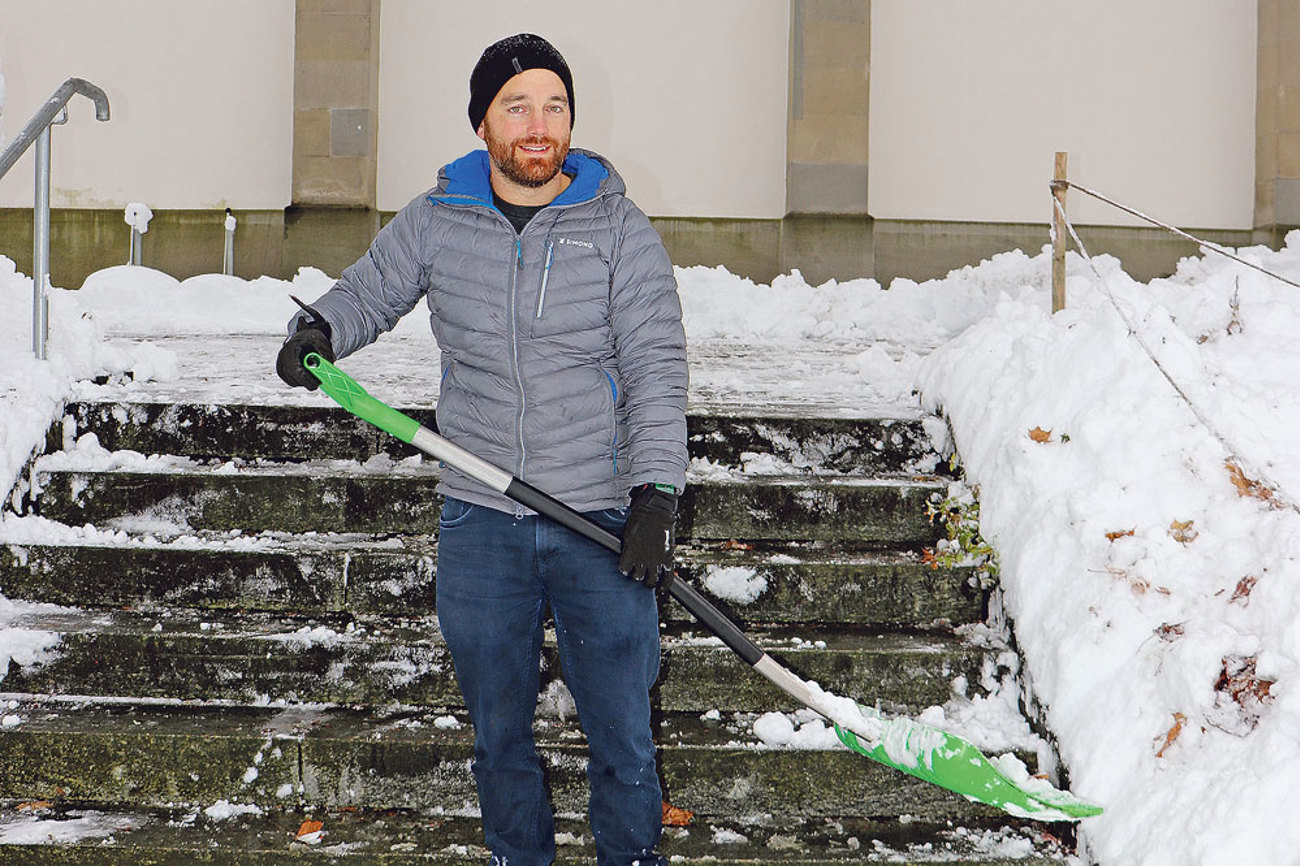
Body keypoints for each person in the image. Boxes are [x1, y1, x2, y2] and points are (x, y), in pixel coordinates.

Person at [275, 33, 688, 866]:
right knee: (499, 737)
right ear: (483, 123)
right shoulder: (438, 218)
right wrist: (319, 327)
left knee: (624, 741)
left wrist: (655, 495)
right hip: (480, 517)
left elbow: (655, 366)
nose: (540, 126)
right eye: (518, 106)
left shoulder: (617, 227)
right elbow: (372, 289)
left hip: (598, 515)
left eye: (555, 105)